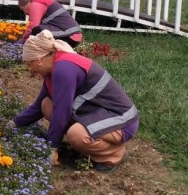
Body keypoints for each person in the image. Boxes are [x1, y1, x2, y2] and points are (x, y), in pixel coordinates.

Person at [11, 30, 139, 173]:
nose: (31, 70)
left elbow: (62, 110)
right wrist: (12, 124)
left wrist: (52, 147)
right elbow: (38, 107)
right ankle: (89, 145)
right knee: (46, 105)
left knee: (76, 135)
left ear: (39, 60)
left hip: (122, 119)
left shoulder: (64, 69)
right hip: (98, 113)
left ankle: (114, 154)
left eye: (30, 64)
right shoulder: (53, 69)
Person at [17, 0, 83, 48]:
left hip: (70, 36)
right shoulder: (41, 1)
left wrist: (22, 41)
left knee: (36, 30)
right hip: (73, 35)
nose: (25, 13)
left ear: (26, 4)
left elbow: (33, 26)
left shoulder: (35, 5)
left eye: (23, 9)